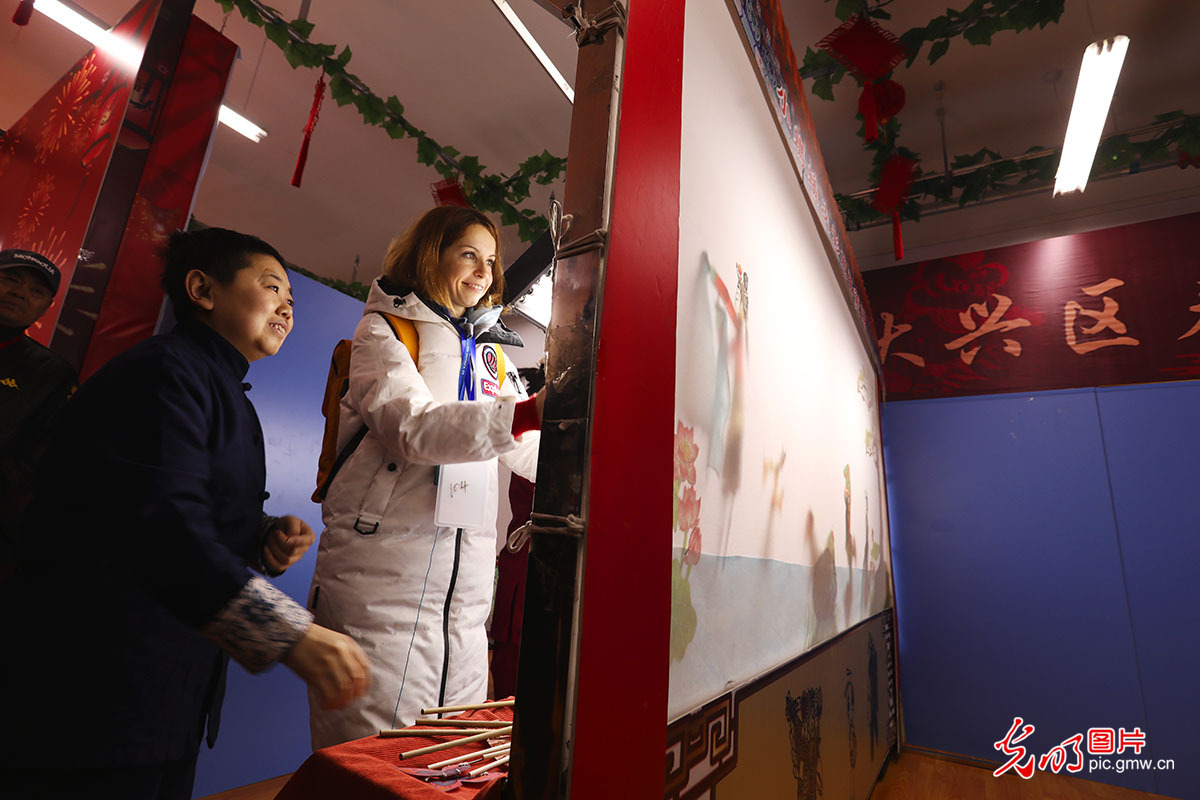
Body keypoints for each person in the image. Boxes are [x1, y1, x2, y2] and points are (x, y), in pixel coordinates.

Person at [0, 228, 370, 800]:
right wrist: (285, 632)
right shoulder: (162, 374)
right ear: (201, 289)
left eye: (292, 301)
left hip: (163, 693)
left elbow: (186, 508)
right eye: (272, 287)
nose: (286, 307)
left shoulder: (224, 391)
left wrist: (263, 535)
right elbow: (158, 524)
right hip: (95, 690)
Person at [308, 206, 541, 749]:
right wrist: (529, 414)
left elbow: (524, 449)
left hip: (464, 597)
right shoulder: (384, 330)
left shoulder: (489, 355)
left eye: (491, 261)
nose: (484, 272)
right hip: (382, 578)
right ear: (430, 254)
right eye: (468, 254)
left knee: (447, 758)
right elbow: (409, 427)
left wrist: (578, 439)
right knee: (373, 758)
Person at [0, 249, 77, 563]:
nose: (20, 293)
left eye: (37, 291)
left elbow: (39, 455)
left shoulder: (54, 374)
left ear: (47, 306)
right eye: (10, 280)